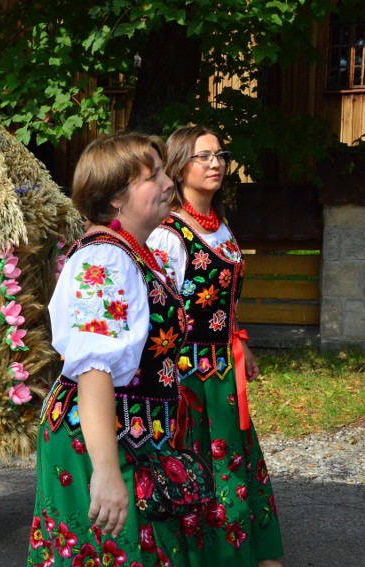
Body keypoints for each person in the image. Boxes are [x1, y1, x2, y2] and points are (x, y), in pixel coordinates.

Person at [28, 133, 191, 566]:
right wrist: (105, 470)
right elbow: (95, 367)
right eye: (151, 176)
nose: (168, 182)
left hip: (129, 434)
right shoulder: (105, 259)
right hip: (99, 439)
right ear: (117, 198)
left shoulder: (136, 253)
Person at [146, 126, 284, 567]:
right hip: (190, 375)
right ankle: (213, 555)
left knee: (235, 459)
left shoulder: (221, 225)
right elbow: (160, 313)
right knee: (203, 465)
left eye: (220, 155)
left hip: (225, 366)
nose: (215, 164)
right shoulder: (169, 234)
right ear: (179, 166)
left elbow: (226, 303)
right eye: (203, 157)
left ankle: (249, 548)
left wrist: (243, 346)